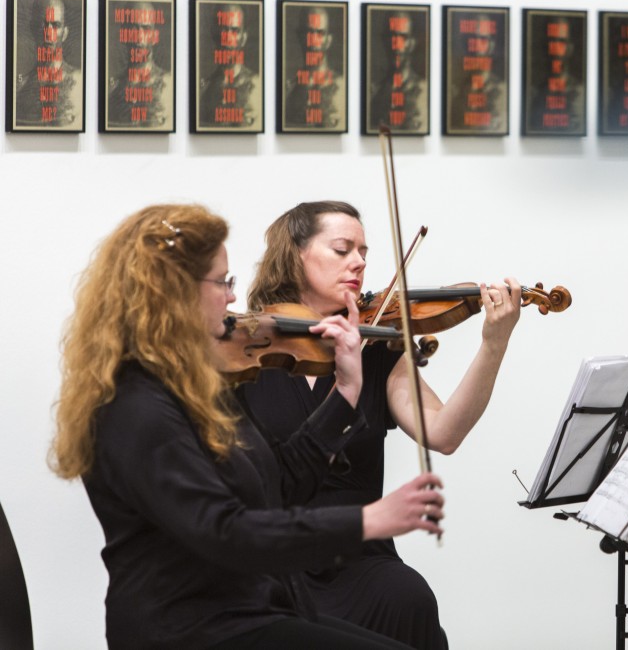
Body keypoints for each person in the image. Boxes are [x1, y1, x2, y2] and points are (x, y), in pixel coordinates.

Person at [51, 203, 445, 650]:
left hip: (246, 613)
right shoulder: (136, 406)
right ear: (172, 293)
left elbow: (276, 487)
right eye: (222, 282)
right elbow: (227, 531)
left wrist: (347, 392)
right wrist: (366, 519)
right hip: (188, 630)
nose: (234, 298)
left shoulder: (195, 390)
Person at [239, 201, 521, 649]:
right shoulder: (248, 349)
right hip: (276, 549)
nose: (360, 262)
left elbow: (443, 433)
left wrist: (493, 343)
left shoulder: (377, 349)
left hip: (359, 551)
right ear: (295, 255)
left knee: (409, 597)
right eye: (342, 249)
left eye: (364, 252)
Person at [14, 0, 83, 129]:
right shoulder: (20, 86)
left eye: (55, 25)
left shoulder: (80, 81)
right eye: (43, 25)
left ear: (65, 33)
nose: (48, 33)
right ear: (34, 30)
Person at [105, 0, 173, 130]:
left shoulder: (169, 84)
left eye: (146, 28)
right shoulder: (111, 88)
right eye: (132, 28)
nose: (139, 36)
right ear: (123, 33)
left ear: (154, 35)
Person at [198, 3, 261, 129]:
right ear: (214, 34)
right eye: (223, 30)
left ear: (243, 38)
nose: (228, 38)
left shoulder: (257, 86)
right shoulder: (203, 89)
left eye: (235, 31)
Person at [283, 5, 345, 130]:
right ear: (300, 36)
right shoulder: (287, 90)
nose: (314, 40)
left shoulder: (343, 87)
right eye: (308, 32)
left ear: (328, 40)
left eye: (320, 33)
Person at [367, 10, 427, 133]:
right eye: (391, 36)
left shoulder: (424, 91)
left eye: (403, 37)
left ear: (411, 43)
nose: (396, 44)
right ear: (385, 41)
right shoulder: (374, 92)